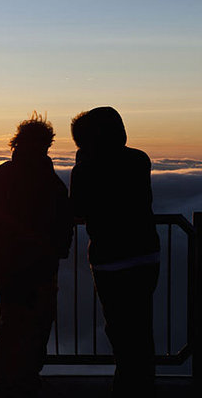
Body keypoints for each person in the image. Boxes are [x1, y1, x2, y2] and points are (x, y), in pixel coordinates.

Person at [0, 112, 73, 398]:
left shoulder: (1, 174)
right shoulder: (50, 179)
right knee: (38, 321)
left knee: (11, 319)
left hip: (9, 261)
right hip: (42, 263)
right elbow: (64, 218)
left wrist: (6, 243)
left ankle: (6, 378)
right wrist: (57, 249)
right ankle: (26, 376)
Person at [70, 107, 160, 397]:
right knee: (141, 326)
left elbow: (77, 210)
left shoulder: (86, 168)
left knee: (120, 330)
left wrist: (80, 166)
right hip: (147, 255)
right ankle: (143, 384)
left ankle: (127, 387)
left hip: (110, 261)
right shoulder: (139, 159)